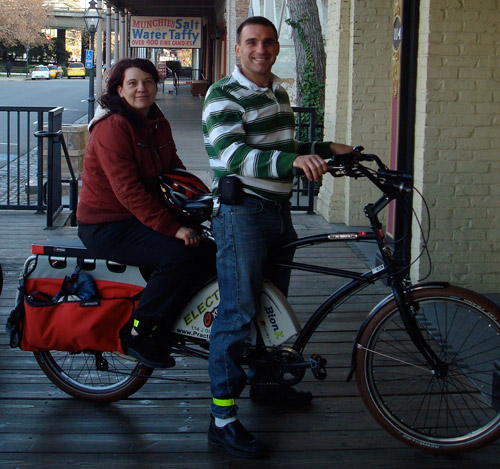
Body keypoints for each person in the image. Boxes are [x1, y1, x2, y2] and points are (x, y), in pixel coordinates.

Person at [202, 16, 354, 458]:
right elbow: (231, 155)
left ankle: (266, 386)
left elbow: (283, 152)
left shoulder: (278, 92)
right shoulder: (222, 95)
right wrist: (293, 165)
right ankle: (222, 418)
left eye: (268, 42)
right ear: (237, 48)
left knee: (272, 307)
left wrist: (326, 151)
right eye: (252, 42)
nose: (261, 49)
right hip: (241, 214)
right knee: (238, 311)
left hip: (277, 212)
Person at [77, 57, 215, 369]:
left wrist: (200, 202)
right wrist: (173, 228)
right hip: (106, 224)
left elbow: (173, 167)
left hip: (141, 215)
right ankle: (138, 333)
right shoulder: (112, 127)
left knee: (208, 252)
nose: (143, 88)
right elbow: (129, 192)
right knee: (175, 256)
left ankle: (170, 323)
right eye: (133, 83)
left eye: (149, 82)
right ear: (119, 90)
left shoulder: (155, 119)